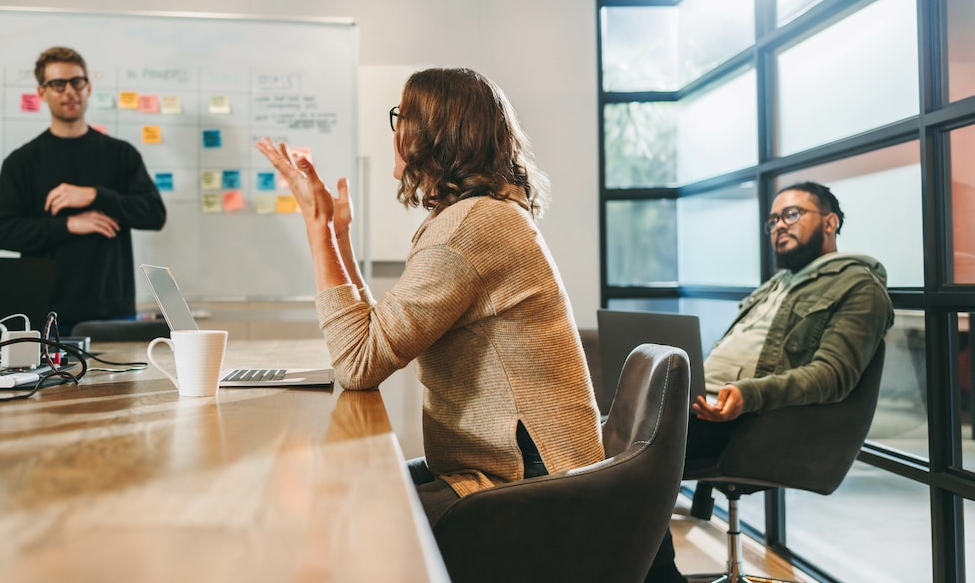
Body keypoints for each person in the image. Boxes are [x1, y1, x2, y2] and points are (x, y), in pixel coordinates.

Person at [255, 67, 604, 527]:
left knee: (348, 519)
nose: (395, 130)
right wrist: (337, 237)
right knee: (351, 490)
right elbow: (375, 336)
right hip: (510, 467)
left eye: (403, 116)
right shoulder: (479, 217)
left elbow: (358, 363)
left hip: (530, 483)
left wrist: (316, 228)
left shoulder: (471, 228)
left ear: (434, 135)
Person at [647, 181, 894, 583]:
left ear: (830, 222)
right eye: (774, 219)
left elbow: (833, 376)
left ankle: (657, 576)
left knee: (635, 447)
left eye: (792, 214)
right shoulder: (773, 287)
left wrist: (747, 395)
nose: (779, 225)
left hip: (755, 424)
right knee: (602, 428)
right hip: (704, 404)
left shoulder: (859, 287)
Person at [0, 47, 166, 334]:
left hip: (112, 312)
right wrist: (68, 225)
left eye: (77, 82)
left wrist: (97, 195)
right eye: (58, 84)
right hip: (46, 311)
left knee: (121, 381)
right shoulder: (23, 162)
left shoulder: (121, 154)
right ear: (42, 92)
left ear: (88, 87)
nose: (69, 91)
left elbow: (155, 215)